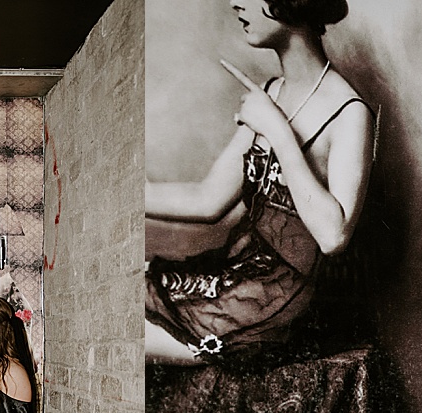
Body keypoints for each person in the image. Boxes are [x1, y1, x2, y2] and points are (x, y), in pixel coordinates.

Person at [146, 0, 375, 364]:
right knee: (129, 288)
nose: (235, 2)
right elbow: (208, 201)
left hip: (285, 304)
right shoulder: (272, 91)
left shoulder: (350, 112)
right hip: (243, 277)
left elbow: (334, 237)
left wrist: (277, 131)